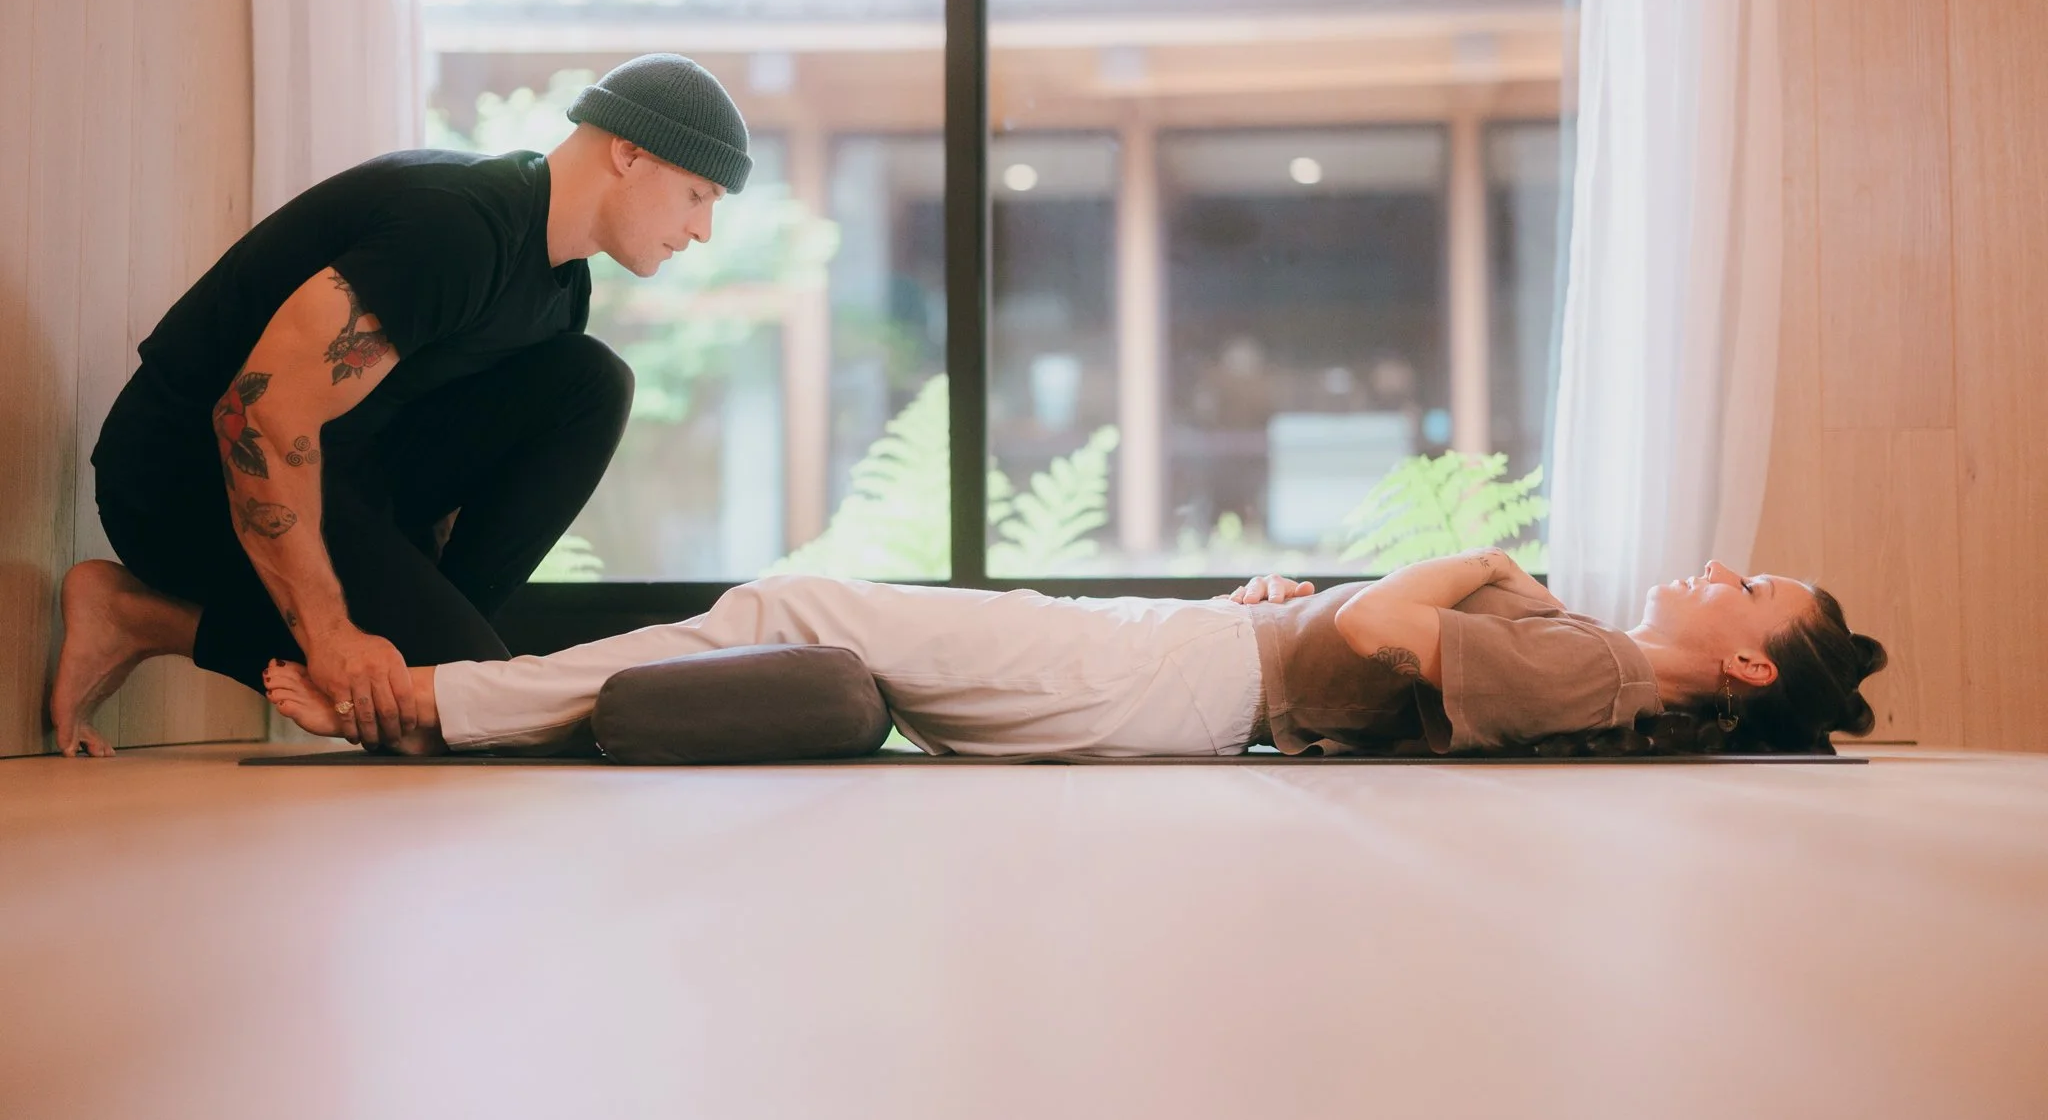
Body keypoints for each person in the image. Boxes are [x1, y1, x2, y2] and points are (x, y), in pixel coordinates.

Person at [51, 54, 753, 757]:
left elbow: (445, 456)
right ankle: (141, 613)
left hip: (344, 479)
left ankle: (422, 682)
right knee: (481, 719)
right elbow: (257, 418)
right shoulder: (456, 230)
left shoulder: (562, 288)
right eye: (698, 194)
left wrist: (429, 635)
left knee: (591, 382)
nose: (702, 231)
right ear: (629, 153)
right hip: (179, 484)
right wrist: (333, 638)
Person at [258, 550, 1886, 760]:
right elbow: (1377, 635)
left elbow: (1397, 631)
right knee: (792, 607)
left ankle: (397, 703)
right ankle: (425, 711)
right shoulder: (1597, 655)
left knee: (792, 603)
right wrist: (1309, 601)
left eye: (1757, 590)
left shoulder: (1607, 673)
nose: (1720, 568)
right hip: (1192, 662)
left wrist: (1471, 564)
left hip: (1174, 689)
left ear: (1748, 667)